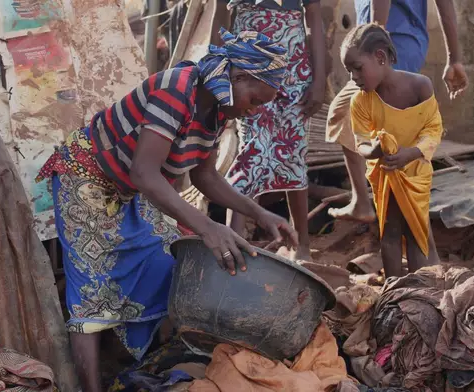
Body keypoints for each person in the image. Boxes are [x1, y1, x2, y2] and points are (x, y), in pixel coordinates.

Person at [35, 29, 298, 392]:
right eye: (254, 99)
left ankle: (143, 366)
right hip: (86, 176)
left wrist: (260, 213)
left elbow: (206, 177)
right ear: (237, 76)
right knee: (93, 288)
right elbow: (144, 172)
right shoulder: (178, 89)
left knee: (166, 262)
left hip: (133, 187)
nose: (252, 110)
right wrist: (207, 227)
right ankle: (90, 387)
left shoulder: (217, 108)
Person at [326, 0, 469, 223]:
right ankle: (374, 202)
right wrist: (454, 58)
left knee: (349, 113)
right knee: (369, 118)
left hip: (388, 44)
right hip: (395, 43)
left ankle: (387, 204)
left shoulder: (379, 57)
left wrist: (374, 38)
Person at [211, 0, 326, 261]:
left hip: (294, 73)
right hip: (247, 69)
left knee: (294, 155)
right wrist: (217, 71)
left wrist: (319, 81)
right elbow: (220, 14)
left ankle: (302, 247)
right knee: (252, 150)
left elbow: (314, 20)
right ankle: (234, 242)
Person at [340, 23, 443, 277]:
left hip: (415, 174)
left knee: (415, 231)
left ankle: (418, 292)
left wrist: (411, 153)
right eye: (349, 71)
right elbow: (361, 142)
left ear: (380, 57)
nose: (353, 77)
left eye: (357, 68)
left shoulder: (421, 86)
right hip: (385, 177)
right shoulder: (360, 101)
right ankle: (394, 289)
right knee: (389, 231)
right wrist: (374, 150)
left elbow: (433, 130)